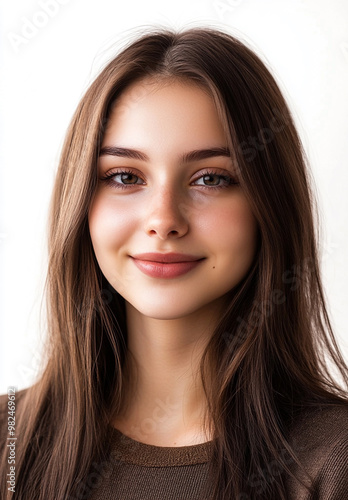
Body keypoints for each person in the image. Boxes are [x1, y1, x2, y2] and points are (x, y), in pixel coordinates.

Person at [1, 26, 348, 500]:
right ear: (80, 203)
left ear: (269, 203)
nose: (163, 220)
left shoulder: (334, 459)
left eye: (211, 178)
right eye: (124, 176)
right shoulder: (9, 443)